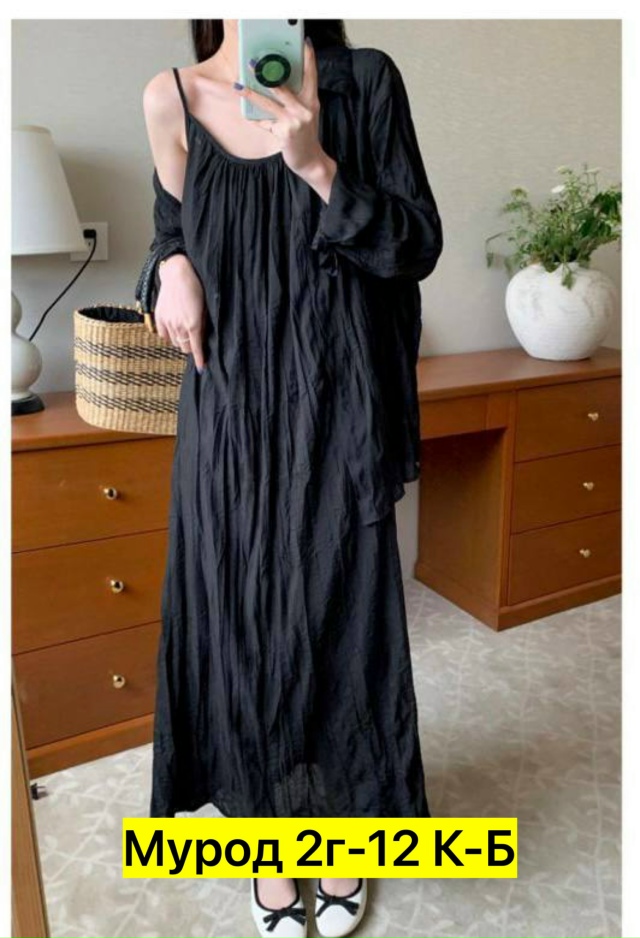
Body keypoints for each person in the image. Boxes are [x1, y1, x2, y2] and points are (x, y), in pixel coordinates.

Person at [142, 18, 443, 938]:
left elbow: (416, 245)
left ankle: (346, 834)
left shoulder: (363, 81)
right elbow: (169, 235)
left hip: (337, 406)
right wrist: (170, 265)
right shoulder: (171, 98)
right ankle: (268, 850)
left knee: (340, 621)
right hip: (228, 418)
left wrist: (317, 167)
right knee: (238, 629)